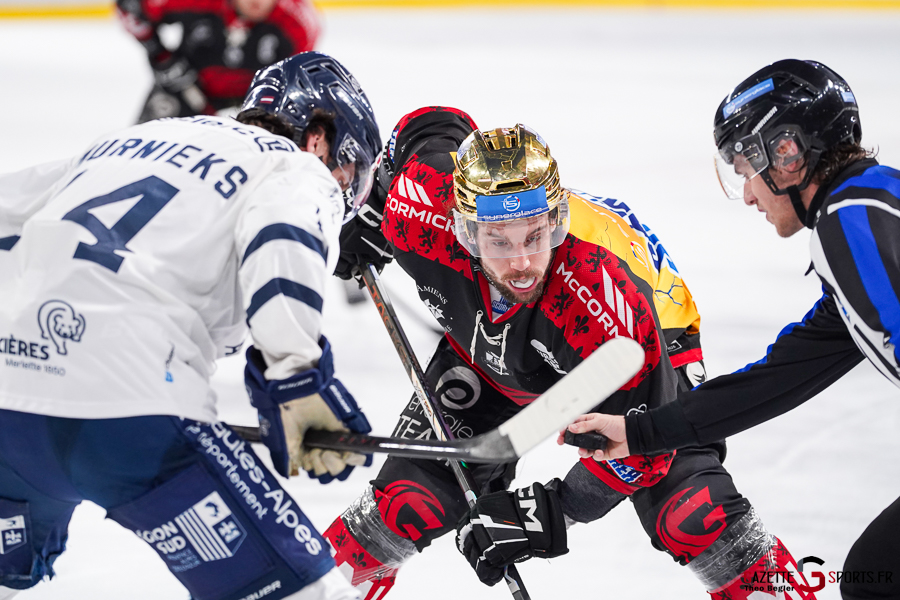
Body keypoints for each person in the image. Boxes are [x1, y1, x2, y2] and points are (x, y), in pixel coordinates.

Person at [326, 106, 817, 600]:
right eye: (497, 239)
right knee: (406, 503)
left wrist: (549, 511)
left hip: (642, 341)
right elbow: (433, 125)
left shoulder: (600, 300)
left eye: (536, 235)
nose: (520, 264)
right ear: (462, 230)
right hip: (493, 356)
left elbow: (646, 446)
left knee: (690, 510)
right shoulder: (417, 212)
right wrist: (367, 207)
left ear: (557, 221)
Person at [0, 51, 381, 600]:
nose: (343, 189)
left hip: (9, 403)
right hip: (128, 409)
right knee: (306, 592)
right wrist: (296, 377)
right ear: (320, 137)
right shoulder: (296, 167)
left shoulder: (130, 141)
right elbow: (280, 238)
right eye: (349, 171)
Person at [564, 59, 899, 600]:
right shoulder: (866, 208)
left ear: (788, 155)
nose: (747, 194)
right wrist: (641, 432)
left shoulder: (850, 218)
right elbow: (777, 379)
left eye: (747, 168)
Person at [116, 0, 320, 122]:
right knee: (141, 149)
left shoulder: (298, 23)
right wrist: (162, 56)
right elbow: (130, 6)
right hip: (186, 92)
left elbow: (294, 82)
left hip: (256, 103)